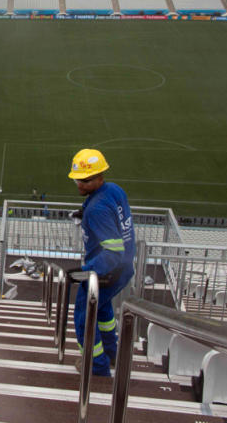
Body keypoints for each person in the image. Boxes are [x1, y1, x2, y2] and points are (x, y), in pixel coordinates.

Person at [67, 148, 135, 378]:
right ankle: (111, 353)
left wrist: (83, 271)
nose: (79, 184)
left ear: (99, 177)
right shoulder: (113, 190)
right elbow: (110, 212)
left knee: (84, 316)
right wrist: (82, 212)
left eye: (84, 180)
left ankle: (97, 367)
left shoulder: (97, 210)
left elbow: (113, 252)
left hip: (107, 272)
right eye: (78, 179)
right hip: (122, 269)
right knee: (103, 308)